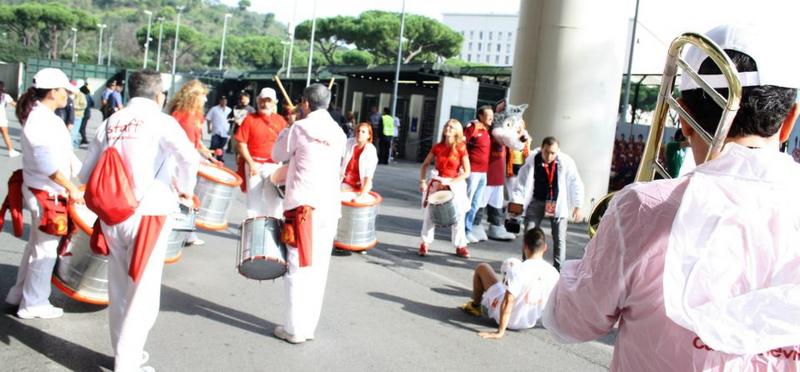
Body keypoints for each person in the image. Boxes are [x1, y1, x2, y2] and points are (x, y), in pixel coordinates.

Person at [542, 24, 800, 370]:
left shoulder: (642, 209)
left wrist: (595, 257)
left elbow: (569, 321)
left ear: (684, 118)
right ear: (790, 120)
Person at [79, 70, 198, 372]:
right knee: (143, 294)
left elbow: (84, 173)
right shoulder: (161, 120)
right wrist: (185, 189)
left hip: (111, 214)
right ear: (159, 95)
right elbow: (189, 158)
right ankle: (128, 363)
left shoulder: (111, 121)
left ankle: (124, 354)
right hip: (149, 214)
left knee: (118, 287)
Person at [5, 68, 83, 319]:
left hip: (46, 190)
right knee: (45, 250)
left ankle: (20, 294)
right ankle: (34, 303)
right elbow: (46, 163)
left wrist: (80, 179)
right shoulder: (41, 119)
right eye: (64, 91)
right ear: (53, 92)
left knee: (36, 246)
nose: (67, 96)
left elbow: (65, 157)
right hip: (45, 192)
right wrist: (72, 187)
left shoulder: (46, 117)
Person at [271, 83, 346, 344]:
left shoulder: (300, 127)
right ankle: (307, 326)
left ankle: (294, 329)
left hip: (304, 206)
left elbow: (276, 154)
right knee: (318, 268)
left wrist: (290, 123)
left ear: (304, 103)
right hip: (329, 207)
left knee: (297, 266)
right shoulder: (338, 132)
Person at [459, 227, 559, 339]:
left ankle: (475, 306)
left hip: (509, 320)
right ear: (545, 247)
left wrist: (500, 332)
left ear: (525, 246)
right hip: (529, 321)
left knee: (483, 267)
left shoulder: (519, 269)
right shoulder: (554, 273)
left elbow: (508, 301)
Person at [511, 136, 583, 271]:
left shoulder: (565, 162)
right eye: (546, 152)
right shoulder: (532, 160)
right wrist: (516, 204)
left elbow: (575, 183)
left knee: (559, 238)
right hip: (536, 201)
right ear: (541, 149)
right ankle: (527, 265)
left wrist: (577, 205)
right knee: (529, 233)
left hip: (557, 203)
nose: (549, 156)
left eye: (553, 153)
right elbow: (520, 184)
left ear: (558, 151)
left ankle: (558, 269)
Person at [418, 119, 471, 258]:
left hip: (455, 182)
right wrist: (423, 181)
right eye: (447, 126)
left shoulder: (461, 148)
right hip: (438, 181)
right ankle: (425, 243)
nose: (448, 128)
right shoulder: (437, 147)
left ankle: (460, 246)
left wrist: (451, 183)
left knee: (458, 215)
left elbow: (467, 172)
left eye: (451, 127)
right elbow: (425, 165)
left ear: (457, 131)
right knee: (430, 214)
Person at [234, 87, 287, 219]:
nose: (265, 103)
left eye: (268, 100)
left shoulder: (281, 121)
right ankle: (253, 231)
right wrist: (251, 163)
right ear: (258, 101)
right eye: (262, 100)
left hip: (274, 166)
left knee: (274, 203)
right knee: (253, 202)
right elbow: (241, 143)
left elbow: (287, 144)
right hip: (254, 165)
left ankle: (275, 231)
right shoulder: (249, 119)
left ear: (274, 102)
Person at [464, 108, 492, 243]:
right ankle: (463, 231)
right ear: (480, 116)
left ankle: (467, 230)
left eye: (492, 115)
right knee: (467, 202)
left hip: (483, 173)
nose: (491, 118)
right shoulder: (473, 127)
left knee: (475, 203)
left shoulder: (486, 130)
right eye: (488, 115)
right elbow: (461, 145)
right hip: (473, 172)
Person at [341, 122, 378, 200]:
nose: (360, 133)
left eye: (363, 132)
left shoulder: (371, 150)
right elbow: (337, 155)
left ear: (369, 136)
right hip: (346, 182)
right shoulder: (349, 142)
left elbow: (369, 174)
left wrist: (363, 193)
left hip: (361, 184)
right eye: (358, 131)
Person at [206, 96, 231, 162]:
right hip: (216, 131)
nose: (224, 102)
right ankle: (210, 158)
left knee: (221, 147)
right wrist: (209, 128)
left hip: (225, 132)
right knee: (214, 145)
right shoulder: (214, 109)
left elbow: (231, 121)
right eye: (222, 100)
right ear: (220, 101)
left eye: (225, 101)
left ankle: (219, 158)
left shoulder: (229, 110)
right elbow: (208, 118)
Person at [0, 80, 20, 157]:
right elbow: (15, 105)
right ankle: (11, 151)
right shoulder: (5, 96)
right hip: (1, 119)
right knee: (5, 134)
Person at [71, 81, 87, 149]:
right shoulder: (70, 94)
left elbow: (84, 105)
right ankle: (75, 144)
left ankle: (71, 146)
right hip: (71, 115)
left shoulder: (80, 95)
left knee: (74, 131)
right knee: (72, 131)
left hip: (77, 115)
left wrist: (75, 107)